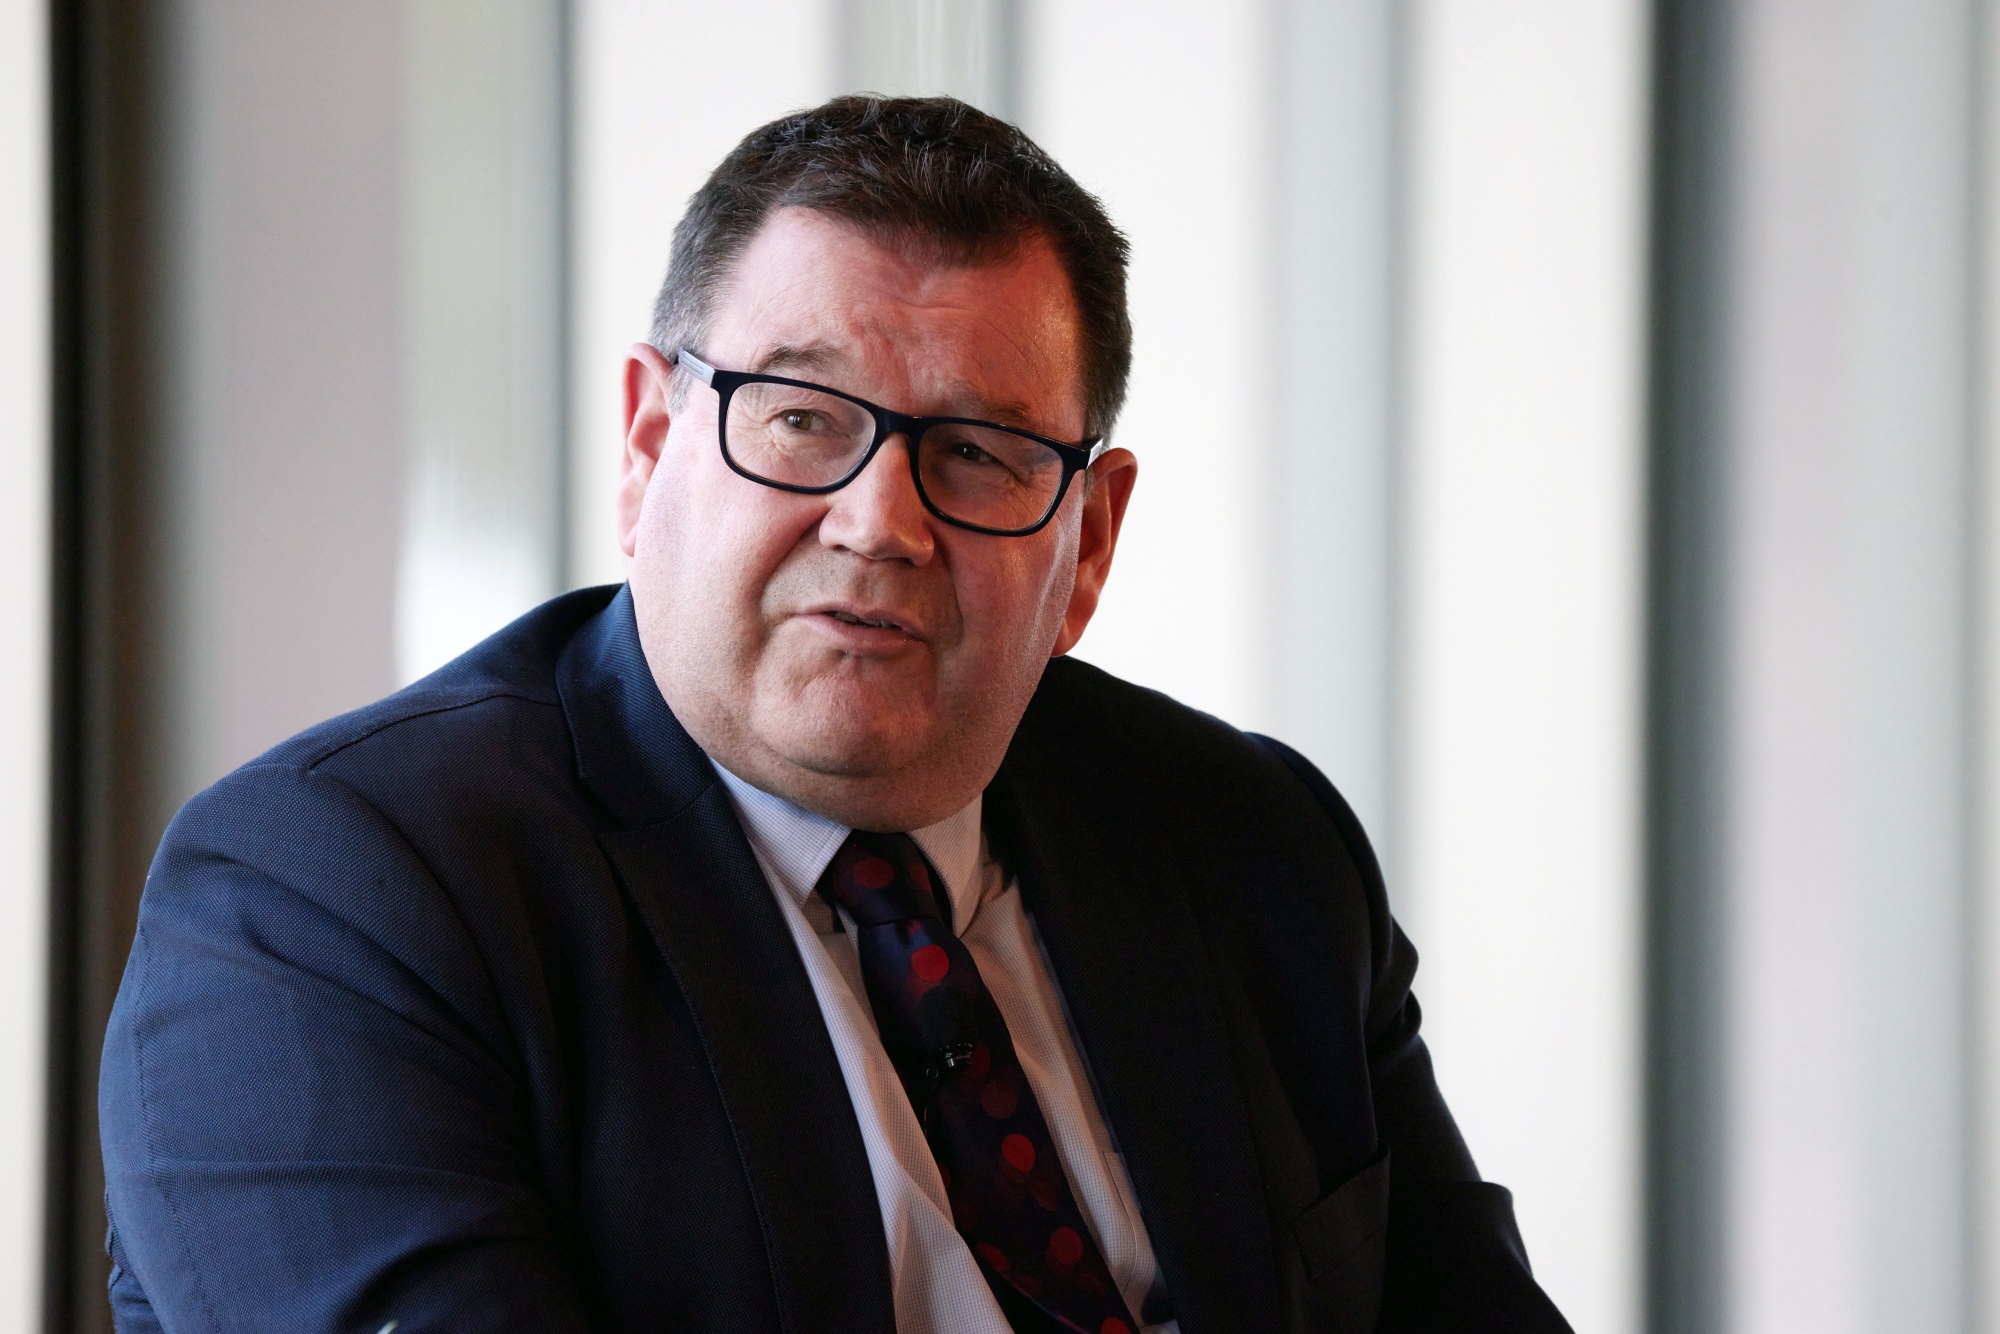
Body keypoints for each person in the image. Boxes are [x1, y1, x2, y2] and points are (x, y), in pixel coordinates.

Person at [98, 96, 1570, 1334]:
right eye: (801, 419)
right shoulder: (336, 897)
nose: (879, 524)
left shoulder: (1254, 846)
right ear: (650, 445)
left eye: (979, 453)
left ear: (1090, 544)